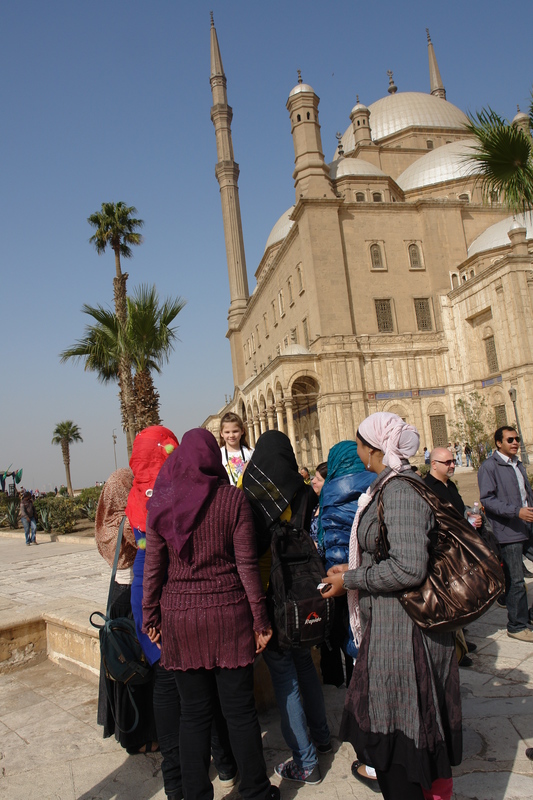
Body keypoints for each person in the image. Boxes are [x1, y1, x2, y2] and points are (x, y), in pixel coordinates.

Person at [322, 412, 461, 800]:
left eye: (361, 442)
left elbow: (408, 566)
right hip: (390, 628)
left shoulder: (399, 490)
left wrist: (350, 579)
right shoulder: (387, 486)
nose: (359, 449)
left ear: (375, 448)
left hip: (404, 634)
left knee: (401, 743)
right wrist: (353, 567)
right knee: (391, 736)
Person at [143, 428, 278, 800]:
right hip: (228, 616)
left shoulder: (163, 501)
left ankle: (196, 794)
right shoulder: (233, 500)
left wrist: (150, 616)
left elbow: (154, 566)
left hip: (180, 619)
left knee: (194, 715)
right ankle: (255, 790)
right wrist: (260, 620)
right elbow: (247, 566)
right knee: (239, 712)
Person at [243, 430, 331, 786]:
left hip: (271, 592)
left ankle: (306, 761)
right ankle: (322, 737)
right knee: (305, 665)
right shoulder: (302, 487)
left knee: (285, 676)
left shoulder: (252, 490)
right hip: (301, 589)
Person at [95, 468, 158, 754]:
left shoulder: (106, 521)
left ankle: (128, 732)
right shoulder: (127, 522)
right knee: (137, 668)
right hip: (131, 597)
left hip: (116, 597)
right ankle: (140, 737)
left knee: (123, 666)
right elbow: (148, 544)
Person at [317, 441, 375, 687]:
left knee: (351, 636)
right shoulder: (376, 484)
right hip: (373, 576)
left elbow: (325, 539)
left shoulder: (329, 492)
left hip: (339, 578)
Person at [424, 447, 482, 667]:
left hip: (459, 551)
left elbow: (456, 512)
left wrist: (468, 517)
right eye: (447, 462)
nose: (452, 464)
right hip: (443, 554)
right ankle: (456, 652)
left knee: (461, 600)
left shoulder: (450, 486)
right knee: (449, 603)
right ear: (434, 464)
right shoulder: (428, 488)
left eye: (452, 461)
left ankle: (462, 640)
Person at [478, 426, 533, 642]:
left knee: (518, 581)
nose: (515, 442)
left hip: (526, 527)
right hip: (508, 531)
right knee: (516, 580)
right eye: (510, 439)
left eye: (517, 439)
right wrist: (516, 512)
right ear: (498, 443)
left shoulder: (517, 464)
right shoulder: (489, 467)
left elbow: (525, 494)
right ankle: (517, 626)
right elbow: (488, 500)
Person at [219, 412, 253, 486]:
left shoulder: (250, 452)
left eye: (235, 431)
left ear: (242, 431)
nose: (231, 435)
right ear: (221, 433)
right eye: (227, 432)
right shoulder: (218, 455)